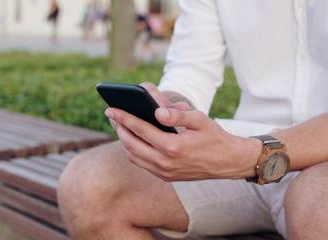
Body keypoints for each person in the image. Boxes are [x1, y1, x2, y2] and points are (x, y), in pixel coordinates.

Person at [58, 1, 328, 240]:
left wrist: (246, 155)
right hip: (245, 144)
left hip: (311, 161)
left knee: (318, 207)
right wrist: (168, 108)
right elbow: (191, 71)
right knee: (87, 184)